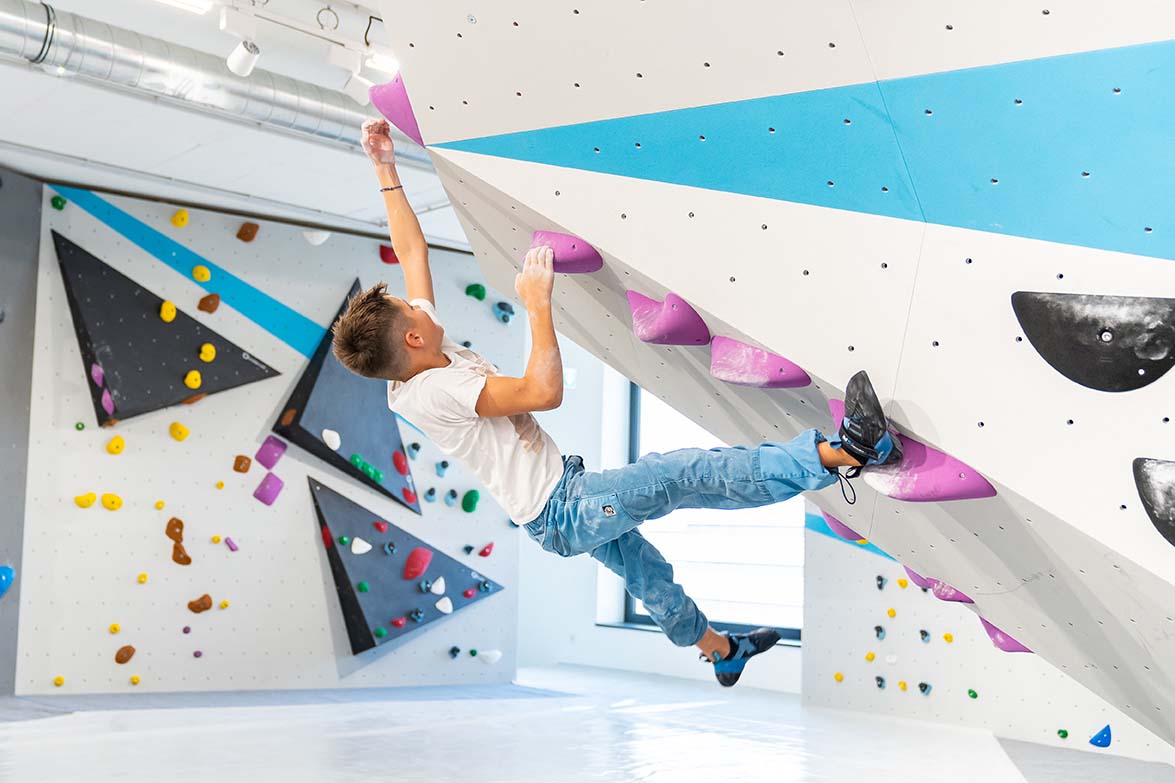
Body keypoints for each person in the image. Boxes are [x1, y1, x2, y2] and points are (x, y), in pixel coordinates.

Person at [331, 119, 902, 686]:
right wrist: (536, 303)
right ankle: (845, 453)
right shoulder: (437, 390)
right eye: (411, 311)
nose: (417, 304)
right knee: (688, 473)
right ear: (411, 337)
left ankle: (722, 651)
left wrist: (383, 164)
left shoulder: (416, 354)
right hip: (567, 507)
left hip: (556, 513)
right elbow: (542, 393)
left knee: (647, 574)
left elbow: (412, 252)